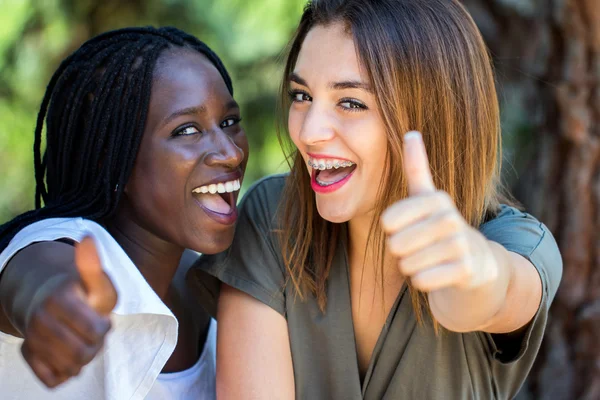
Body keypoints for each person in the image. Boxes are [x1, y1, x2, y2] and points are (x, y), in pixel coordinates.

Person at [193, 0, 563, 399]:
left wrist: (473, 271)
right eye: (302, 95)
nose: (309, 132)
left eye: (351, 102)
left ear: (433, 113)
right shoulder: (273, 217)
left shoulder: (518, 242)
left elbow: (497, 292)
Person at [0, 26, 247, 399]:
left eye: (228, 122)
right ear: (112, 160)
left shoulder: (206, 281)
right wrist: (51, 304)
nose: (231, 152)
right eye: (187, 130)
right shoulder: (63, 245)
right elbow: (31, 276)